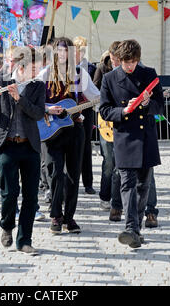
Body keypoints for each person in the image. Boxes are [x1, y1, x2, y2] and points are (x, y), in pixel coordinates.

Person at [99, 39, 164, 248]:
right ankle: (131, 228)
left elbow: (160, 106)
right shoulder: (109, 78)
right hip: (124, 137)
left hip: (146, 138)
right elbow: (104, 110)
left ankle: (135, 227)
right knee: (127, 184)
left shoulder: (149, 74)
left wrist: (147, 104)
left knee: (143, 185)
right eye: (126, 62)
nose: (130, 66)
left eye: (133, 62)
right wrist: (123, 111)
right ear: (119, 60)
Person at [0, 46, 45, 255]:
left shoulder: (37, 86)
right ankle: (7, 226)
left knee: (31, 196)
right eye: (34, 69)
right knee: (9, 193)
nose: (37, 73)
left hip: (30, 145)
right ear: (21, 66)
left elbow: (37, 113)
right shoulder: (1, 81)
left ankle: (24, 240)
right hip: (7, 144)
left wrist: (20, 98)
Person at [38, 37, 100, 235]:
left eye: (67, 50)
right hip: (51, 130)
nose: (63, 54)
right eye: (60, 50)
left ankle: (69, 217)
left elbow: (96, 98)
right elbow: (34, 102)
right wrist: (49, 108)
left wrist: (108, 98)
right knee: (55, 172)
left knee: (74, 175)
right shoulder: (45, 74)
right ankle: (56, 215)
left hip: (75, 129)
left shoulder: (80, 74)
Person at [94, 41, 123, 220]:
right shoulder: (103, 70)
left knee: (121, 166)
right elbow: (95, 92)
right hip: (106, 121)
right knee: (109, 162)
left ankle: (118, 200)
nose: (115, 64)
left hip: (122, 123)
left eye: (117, 60)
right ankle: (105, 196)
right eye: (113, 60)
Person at [73, 36, 97, 194]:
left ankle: (88, 182)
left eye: (82, 50)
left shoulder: (90, 68)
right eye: (77, 49)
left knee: (86, 145)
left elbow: (94, 89)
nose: (80, 53)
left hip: (86, 110)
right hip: (68, 110)